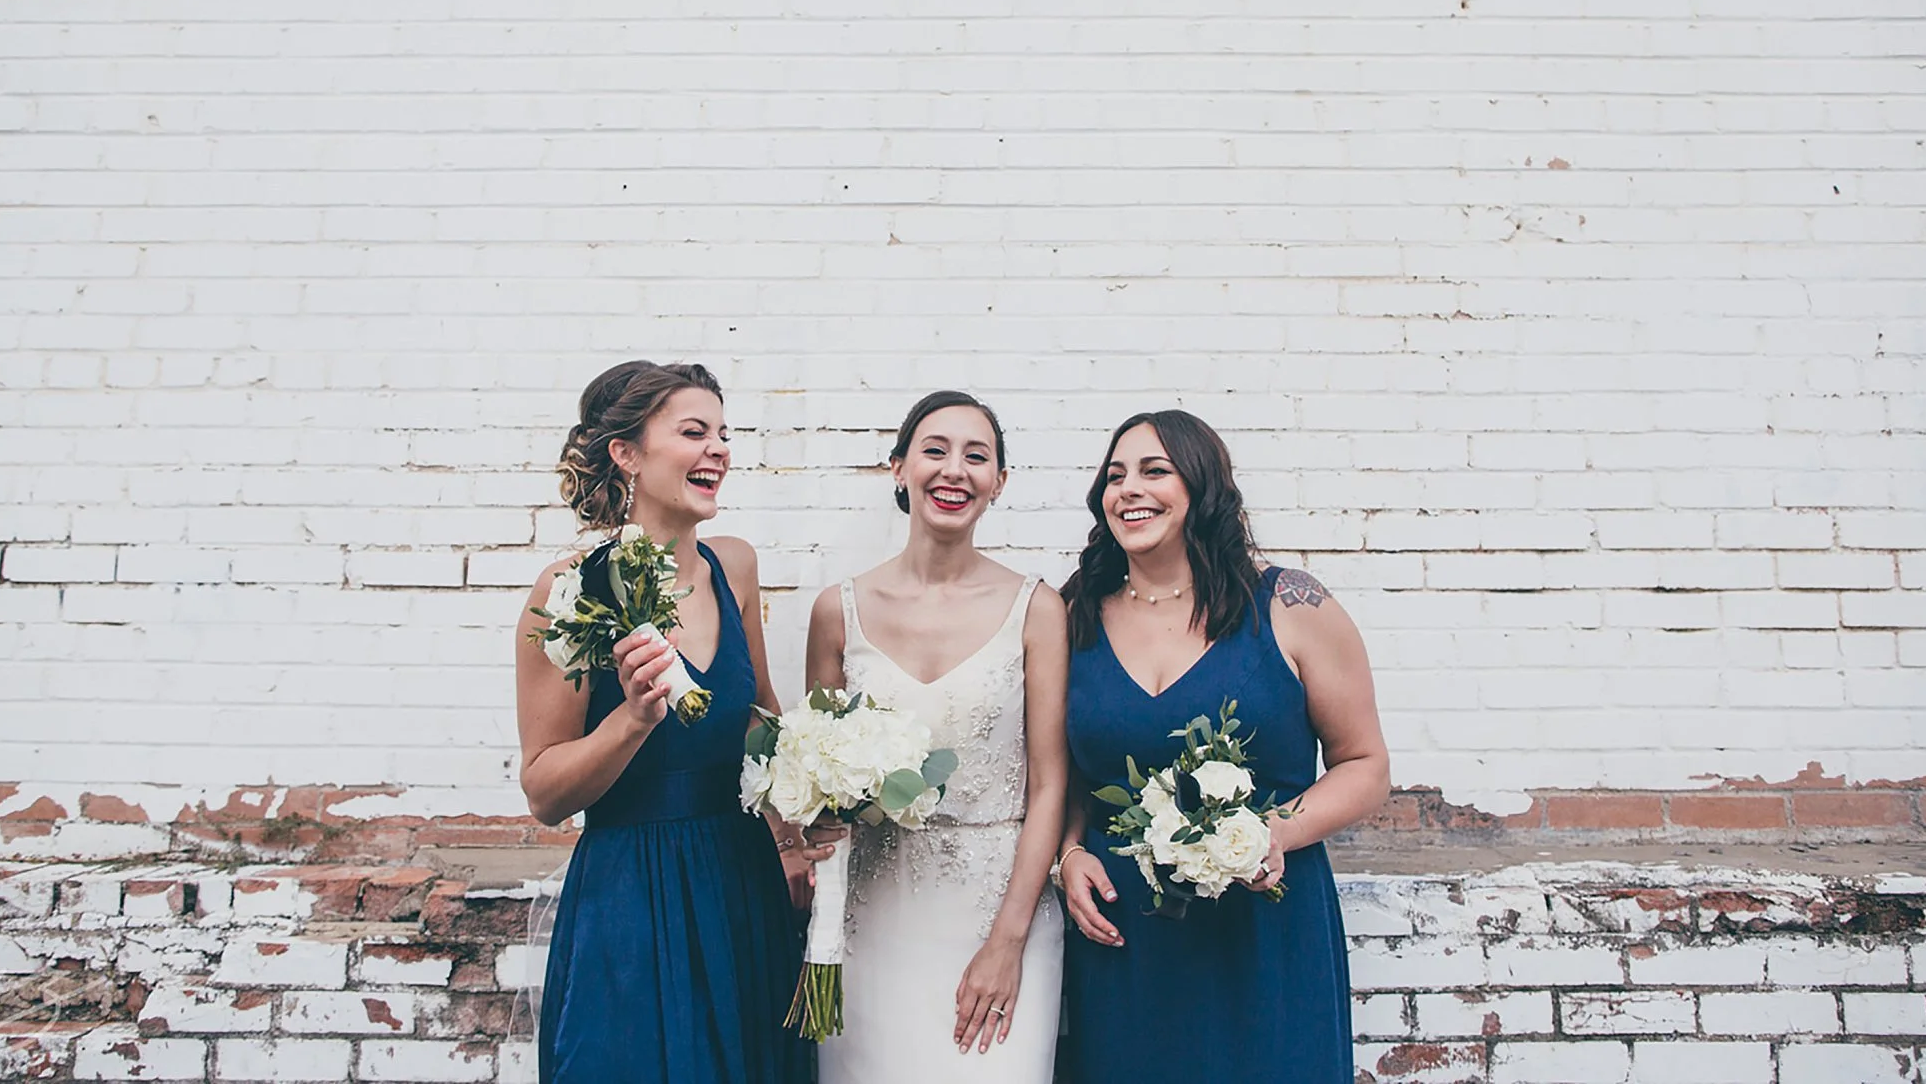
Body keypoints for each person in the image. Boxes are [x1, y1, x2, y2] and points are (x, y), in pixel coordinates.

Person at [1055, 410, 1390, 1084]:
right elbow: (1060, 773)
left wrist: (1271, 832)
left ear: (1202, 484)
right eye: (1114, 475)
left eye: (1155, 470)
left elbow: (1366, 766)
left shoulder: (1291, 604)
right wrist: (1067, 855)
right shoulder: (1074, 614)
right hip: (1127, 937)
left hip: (1264, 928)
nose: (1129, 489)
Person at [514, 360, 818, 1084]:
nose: (718, 449)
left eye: (723, 434)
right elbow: (545, 791)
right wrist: (634, 719)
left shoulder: (734, 566)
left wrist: (802, 823)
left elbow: (758, 723)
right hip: (631, 900)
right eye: (693, 432)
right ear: (627, 453)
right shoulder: (570, 589)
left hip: (742, 886)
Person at [804, 389, 1069, 1083]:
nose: (955, 469)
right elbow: (818, 776)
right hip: (874, 917)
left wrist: (1007, 941)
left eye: (976, 456)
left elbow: (1051, 786)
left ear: (999, 483)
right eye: (935, 450)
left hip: (999, 915)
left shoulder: (1038, 608)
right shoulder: (838, 611)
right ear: (898, 468)